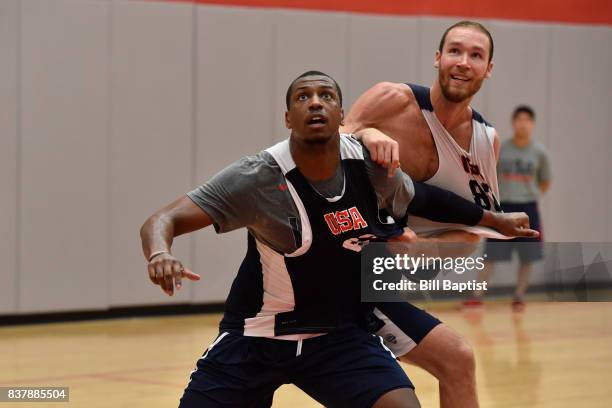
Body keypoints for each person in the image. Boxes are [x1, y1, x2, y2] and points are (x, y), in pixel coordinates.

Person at [140, 71, 536, 407]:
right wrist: (160, 251)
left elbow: (425, 197)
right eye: (303, 97)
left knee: (401, 402)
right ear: (287, 117)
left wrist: (493, 219)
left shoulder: (369, 165)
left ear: (341, 114)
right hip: (257, 336)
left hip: (334, 335)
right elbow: (164, 218)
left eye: (326, 95)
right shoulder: (258, 177)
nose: (315, 103)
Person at [342, 20, 504, 408]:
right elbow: (323, 151)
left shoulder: (485, 141)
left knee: (458, 360)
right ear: (438, 58)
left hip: (375, 280)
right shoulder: (392, 99)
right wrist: (365, 135)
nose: (464, 62)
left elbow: (471, 236)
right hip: (336, 264)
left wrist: (420, 253)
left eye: (476, 55)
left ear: (488, 69)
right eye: (455, 51)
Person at [468, 105, 551, 311]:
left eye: (527, 120)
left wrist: (527, 195)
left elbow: (545, 181)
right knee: (492, 252)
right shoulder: (502, 149)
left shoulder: (540, 153)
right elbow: (489, 176)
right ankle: (477, 296)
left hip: (528, 207)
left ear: (532, 124)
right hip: (503, 207)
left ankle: (519, 296)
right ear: (513, 123)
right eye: (519, 120)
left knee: (528, 255)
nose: (522, 124)